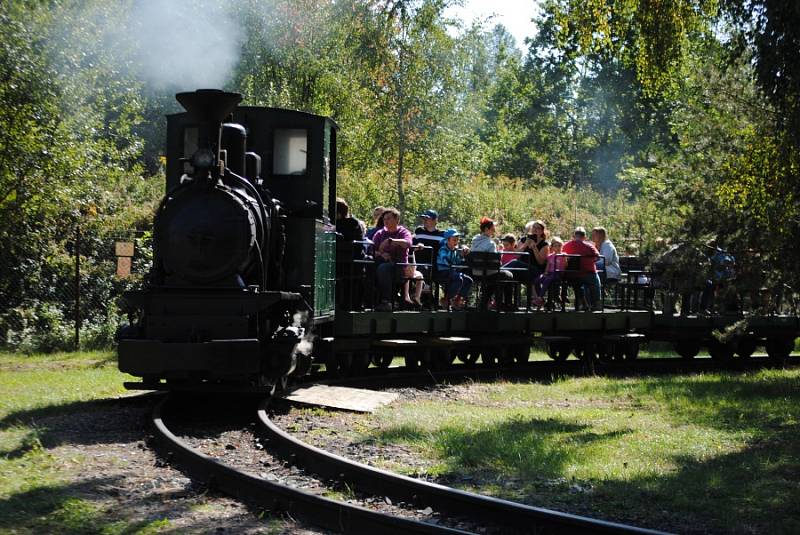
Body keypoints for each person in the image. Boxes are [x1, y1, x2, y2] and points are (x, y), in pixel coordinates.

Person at [371, 207, 413, 311]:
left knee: (383, 268)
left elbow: (407, 244)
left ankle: (387, 301)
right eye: (384, 219)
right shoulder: (380, 233)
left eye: (389, 218)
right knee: (368, 266)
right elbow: (371, 250)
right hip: (383, 262)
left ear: (397, 219)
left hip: (399, 266)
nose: (386, 221)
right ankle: (369, 300)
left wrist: (390, 241)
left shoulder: (404, 232)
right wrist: (381, 254)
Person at [470, 217, 514, 310]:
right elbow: (496, 262)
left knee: (494, 280)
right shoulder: (490, 243)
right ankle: (506, 304)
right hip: (488, 273)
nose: (494, 229)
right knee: (508, 275)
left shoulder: (474, 241)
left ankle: (485, 302)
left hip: (476, 273)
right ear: (486, 229)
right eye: (493, 227)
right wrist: (500, 252)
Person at [335, 198, 365, 309]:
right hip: (337, 260)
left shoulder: (353, 223)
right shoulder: (333, 224)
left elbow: (355, 243)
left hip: (351, 260)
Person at [562, 226, 602, 311]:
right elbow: (598, 257)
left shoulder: (566, 246)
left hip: (571, 274)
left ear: (574, 236)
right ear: (584, 237)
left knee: (578, 283)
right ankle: (596, 303)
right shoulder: (589, 246)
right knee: (595, 281)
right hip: (588, 273)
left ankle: (581, 303)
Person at [435, 229, 472, 309]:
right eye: (454, 240)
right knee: (458, 279)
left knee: (468, 280)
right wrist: (453, 252)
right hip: (443, 271)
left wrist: (461, 256)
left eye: (457, 240)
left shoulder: (455, 250)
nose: (456, 242)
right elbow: (447, 262)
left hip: (452, 271)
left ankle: (457, 300)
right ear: (448, 240)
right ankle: (447, 299)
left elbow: (457, 262)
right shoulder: (443, 250)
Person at [533, 237, 565, 307]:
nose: (558, 248)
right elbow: (548, 265)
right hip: (550, 273)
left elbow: (565, 265)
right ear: (552, 247)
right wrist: (545, 272)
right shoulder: (550, 256)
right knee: (537, 280)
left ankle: (540, 297)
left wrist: (564, 258)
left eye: (559, 246)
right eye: (555, 246)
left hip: (558, 273)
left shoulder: (563, 255)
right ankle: (540, 297)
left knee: (548, 280)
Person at [592, 226, 621, 299]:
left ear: (601, 235)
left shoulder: (607, 246)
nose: (592, 236)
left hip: (610, 271)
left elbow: (606, 261)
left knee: (591, 277)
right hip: (601, 271)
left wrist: (592, 262)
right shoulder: (595, 246)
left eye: (594, 234)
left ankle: (597, 299)